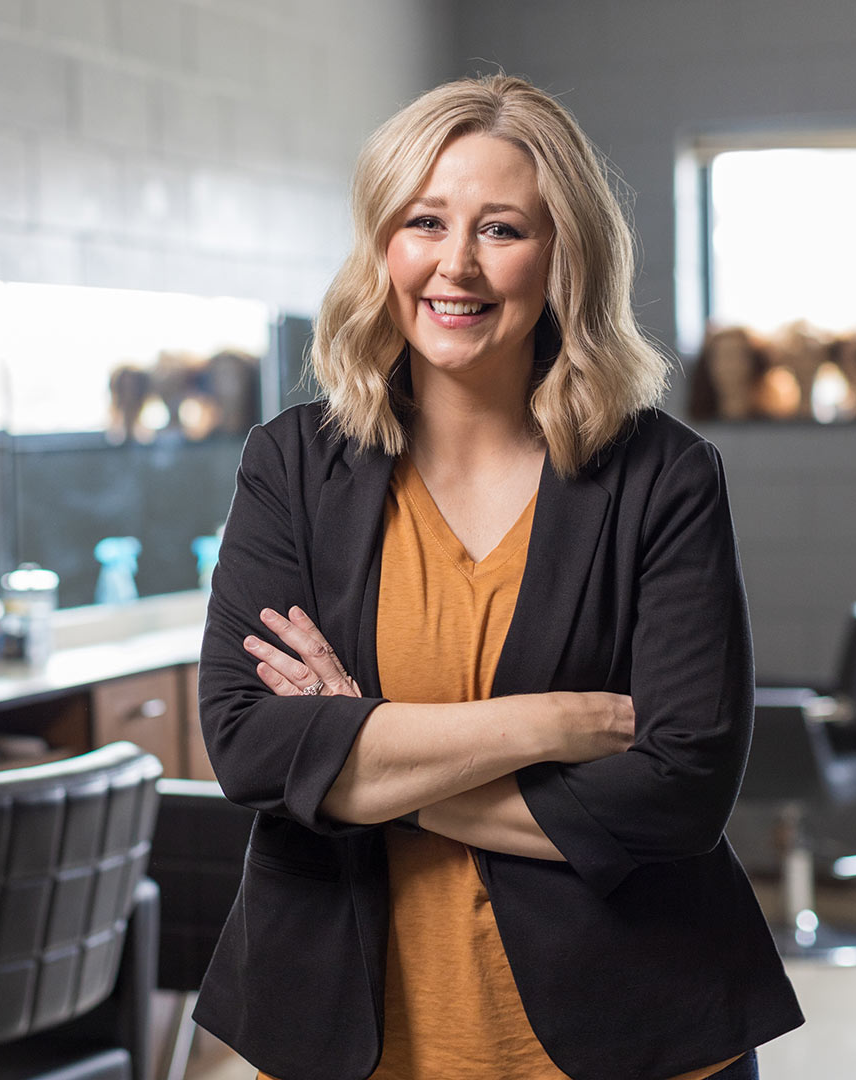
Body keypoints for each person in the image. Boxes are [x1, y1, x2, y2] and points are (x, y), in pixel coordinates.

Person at [193, 75, 803, 1080]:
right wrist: (544, 727)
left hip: (624, 1026)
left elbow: (680, 791)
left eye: (503, 229)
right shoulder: (294, 464)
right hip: (348, 1028)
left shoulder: (663, 476)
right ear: (383, 242)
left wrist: (357, 746)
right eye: (425, 220)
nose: (456, 264)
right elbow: (251, 747)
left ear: (564, 255)